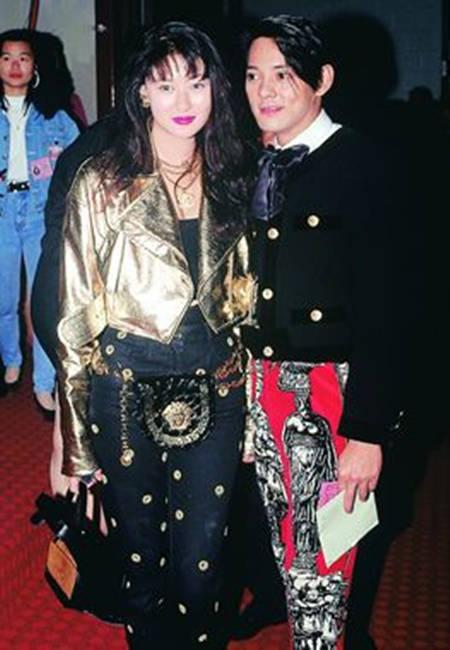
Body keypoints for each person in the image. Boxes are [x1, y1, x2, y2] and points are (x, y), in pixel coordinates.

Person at [55, 21, 254, 650]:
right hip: (123, 392)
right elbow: (75, 317)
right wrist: (74, 440)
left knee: (202, 567)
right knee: (141, 564)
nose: (184, 100)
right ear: (141, 91)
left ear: (216, 88)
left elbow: (250, 310)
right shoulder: (102, 182)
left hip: (218, 389)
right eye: (165, 85)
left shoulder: (235, 177)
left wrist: (254, 418)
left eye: (197, 82)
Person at [241, 15, 407, 650]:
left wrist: (367, 431)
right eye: (253, 75)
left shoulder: (364, 163)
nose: (265, 90)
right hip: (262, 389)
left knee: (326, 561)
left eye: (283, 75)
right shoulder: (255, 161)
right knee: (286, 546)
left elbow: (390, 310)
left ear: (323, 79)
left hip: (331, 397)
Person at [0, 28, 79, 410]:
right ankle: (11, 358)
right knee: (4, 298)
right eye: (6, 58)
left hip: (39, 217)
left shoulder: (57, 118)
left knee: (44, 301)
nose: (15, 66)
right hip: (2, 215)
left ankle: (44, 381)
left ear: (35, 67)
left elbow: (79, 165)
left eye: (23, 58)